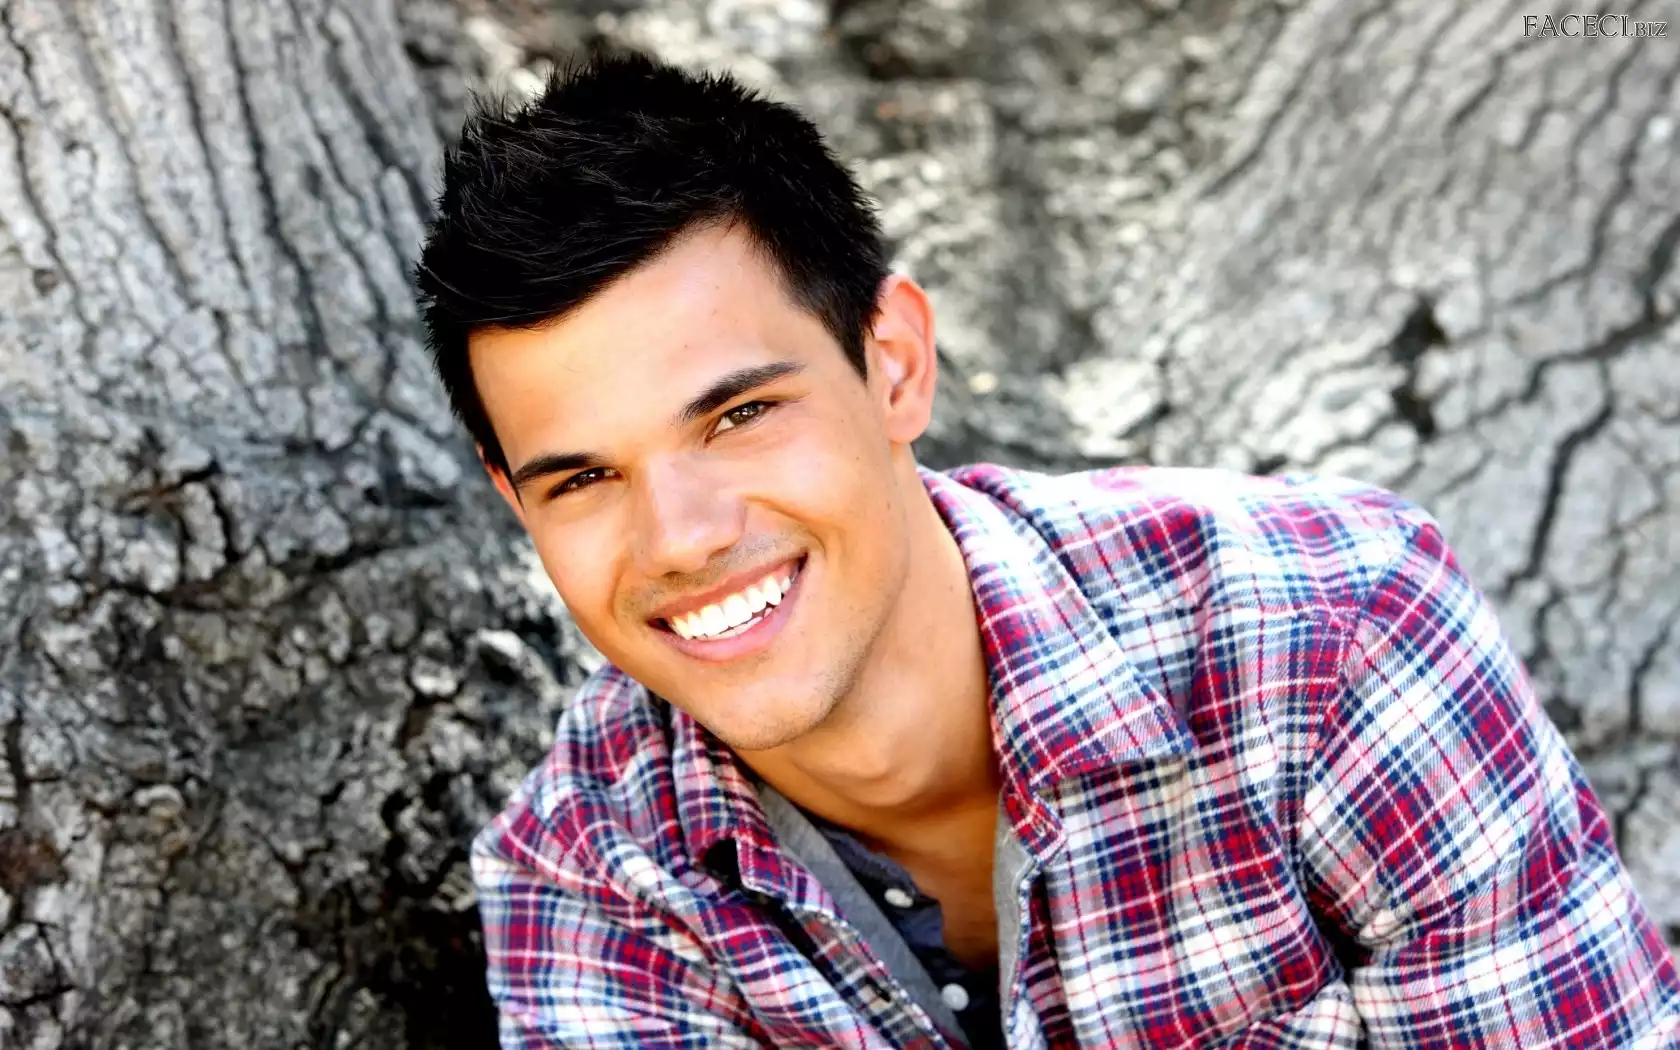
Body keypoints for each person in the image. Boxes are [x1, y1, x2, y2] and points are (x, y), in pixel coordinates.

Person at [413, 50, 1680, 1050]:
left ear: (894, 364)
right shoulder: (593, 882)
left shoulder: (1330, 635)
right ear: (515, 500)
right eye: (584, 478)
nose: (683, 536)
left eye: (739, 416)